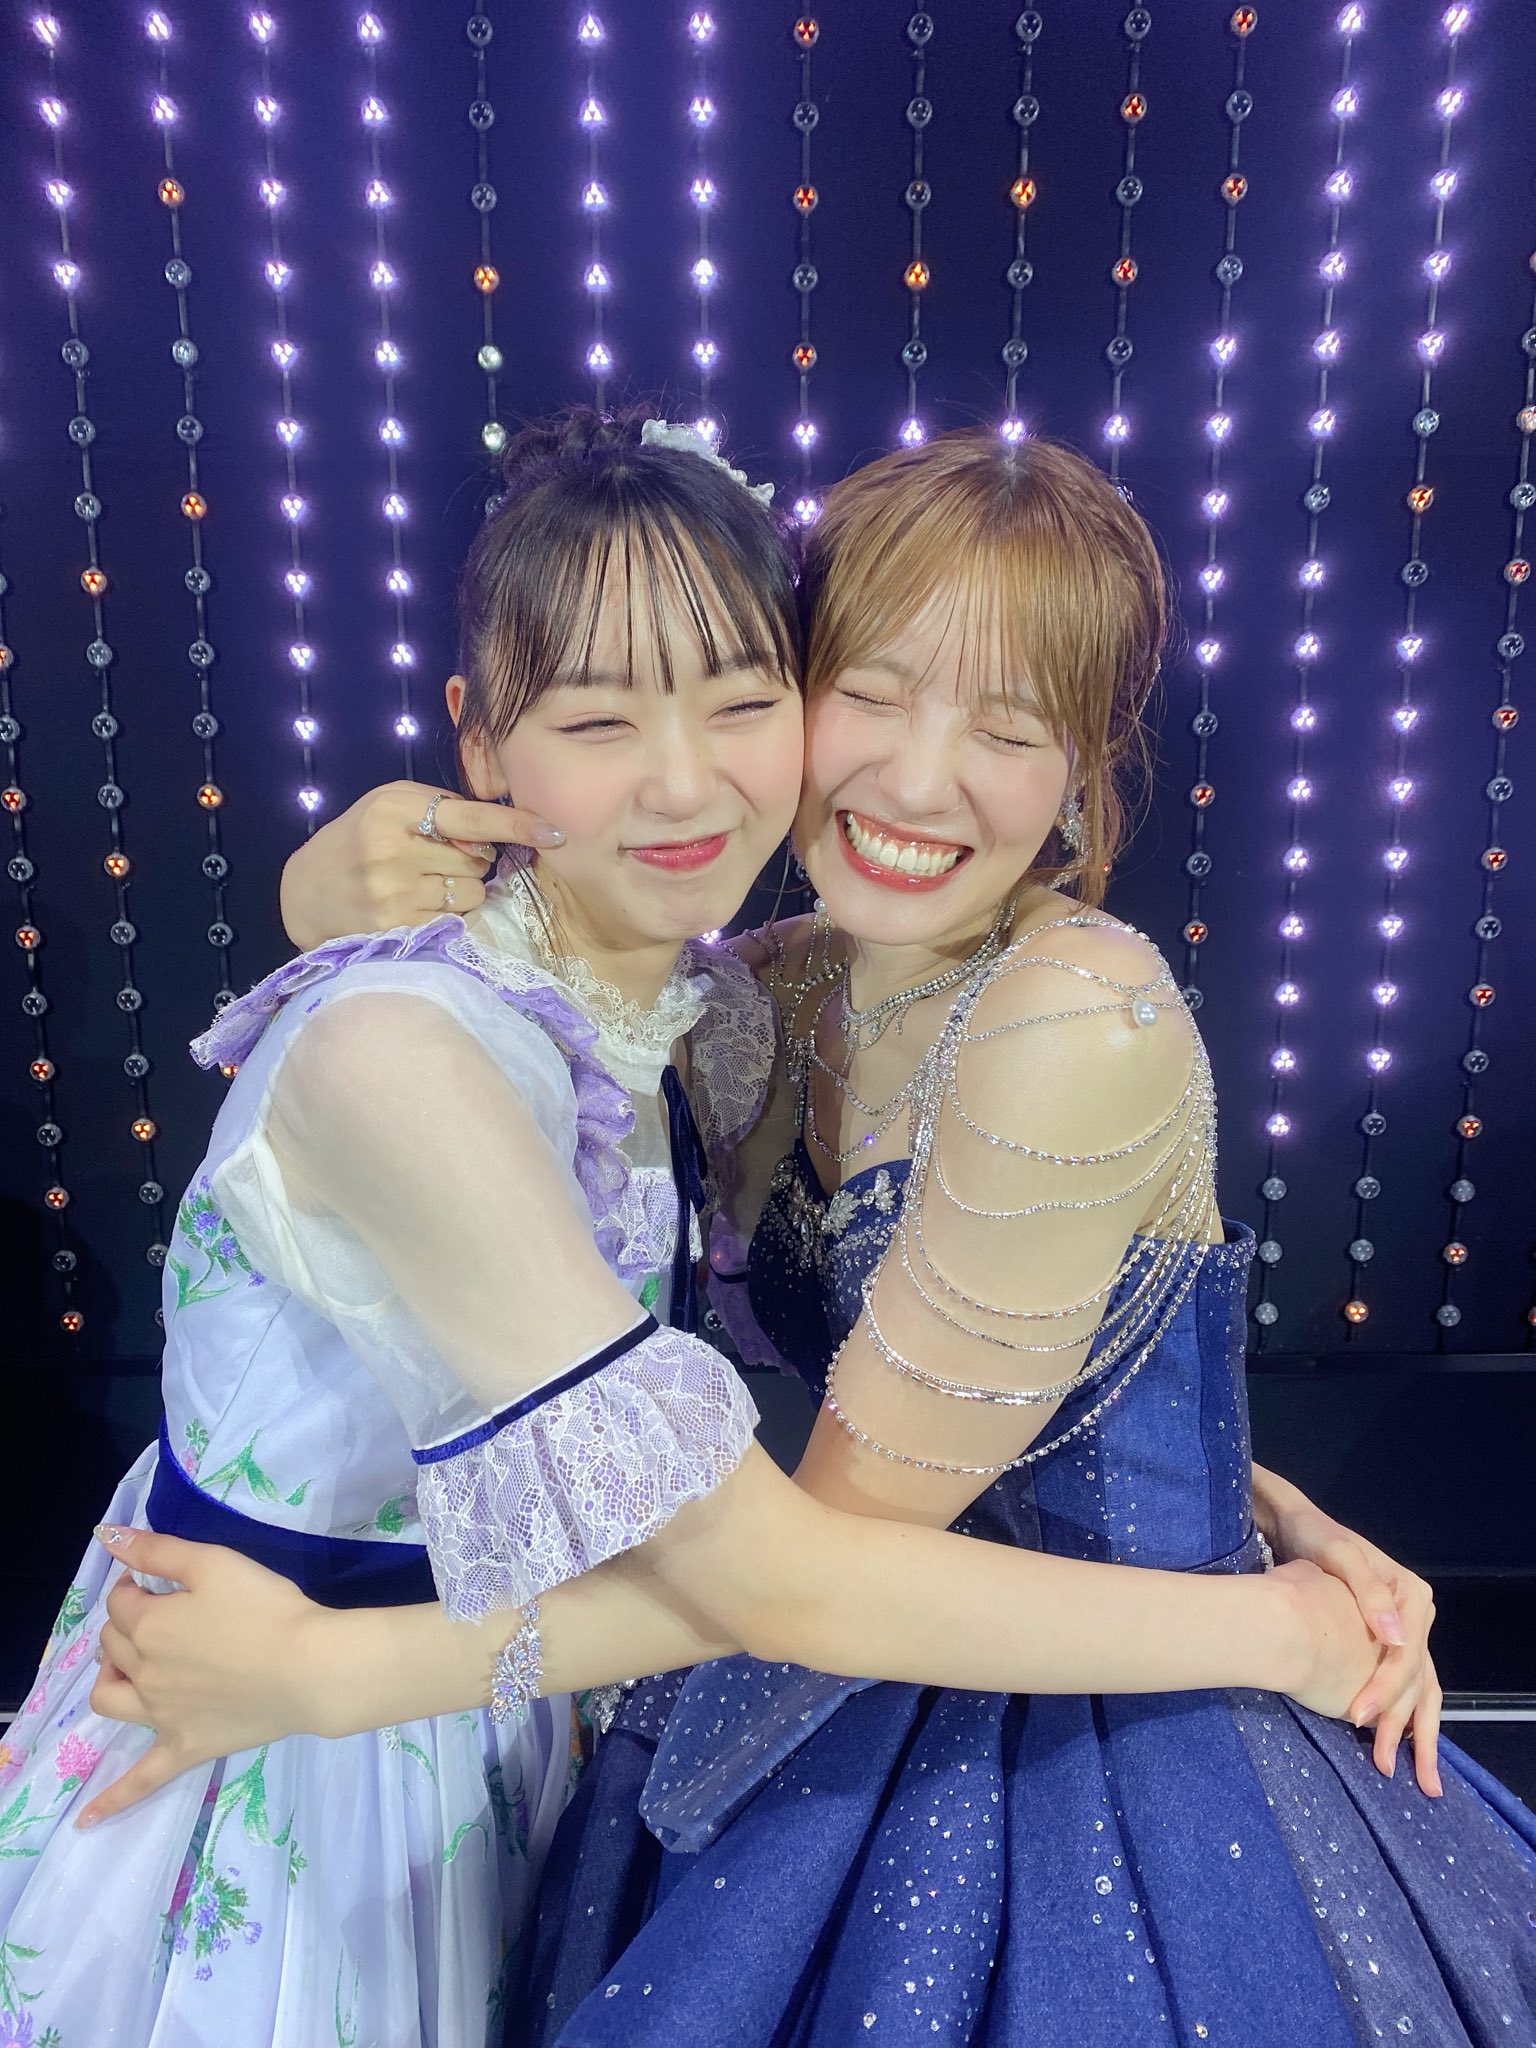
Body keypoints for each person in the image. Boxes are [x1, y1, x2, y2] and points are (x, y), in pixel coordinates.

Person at [67, 422, 1455, 2045]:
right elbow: (931, 1387)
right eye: (869, 694)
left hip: (1098, 1729)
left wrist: (1275, 1601)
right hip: (783, 1658)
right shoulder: (758, 1000)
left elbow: (803, 1555)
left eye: (1007, 728)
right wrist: (323, 897)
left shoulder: (1070, 1015)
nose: (915, 782)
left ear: (1084, 765)